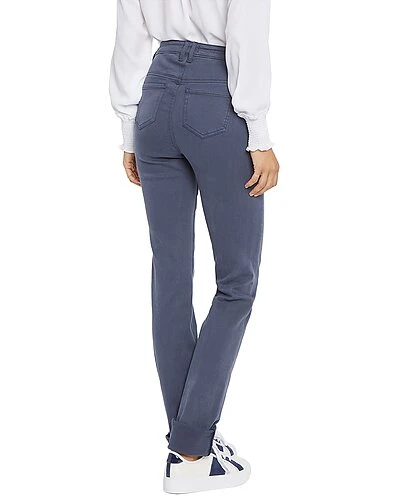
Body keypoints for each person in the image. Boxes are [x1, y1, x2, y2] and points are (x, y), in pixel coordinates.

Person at [109, 0, 280, 494]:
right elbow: (246, 37)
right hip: (214, 97)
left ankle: (186, 451)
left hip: (154, 99)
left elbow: (129, 39)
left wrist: (129, 131)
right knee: (237, 281)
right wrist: (259, 132)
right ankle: (191, 449)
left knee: (171, 278)